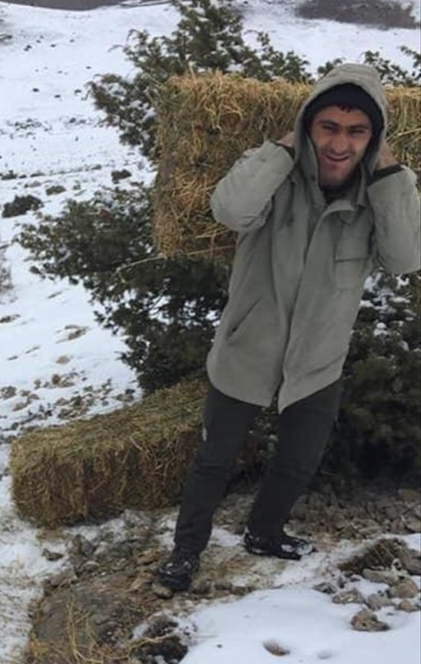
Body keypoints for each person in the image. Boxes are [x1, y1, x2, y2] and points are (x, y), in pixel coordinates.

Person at [158, 62, 421, 593]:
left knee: (299, 460)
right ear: (307, 126)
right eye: (328, 126)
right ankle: (185, 554)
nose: (340, 144)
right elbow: (230, 210)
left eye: (357, 131)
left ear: (374, 137)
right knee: (213, 462)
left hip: (318, 360)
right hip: (247, 351)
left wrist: (391, 175)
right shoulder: (275, 179)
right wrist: (282, 148)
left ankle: (264, 531)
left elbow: (404, 259)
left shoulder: (380, 196)